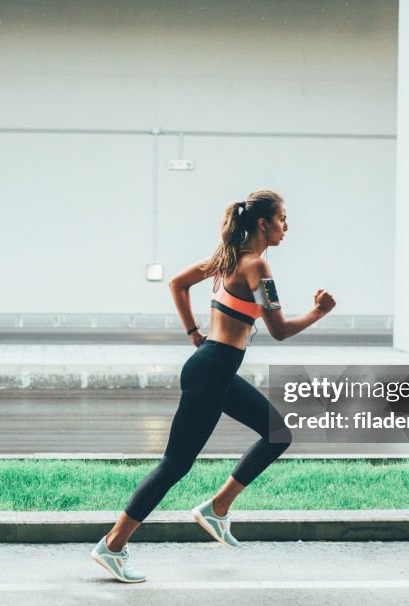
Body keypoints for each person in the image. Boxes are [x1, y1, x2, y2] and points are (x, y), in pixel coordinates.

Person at [90, 189, 336, 583]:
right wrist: (319, 313)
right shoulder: (257, 267)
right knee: (175, 464)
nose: (286, 227)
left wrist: (193, 332)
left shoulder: (225, 259)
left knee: (277, 434)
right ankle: (113, 545)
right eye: (282, 219)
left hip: (212, 370)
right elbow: (280, 330)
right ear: (262, 223)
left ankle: (217, 508)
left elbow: (177, 284)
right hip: (212, 372)